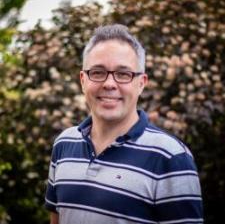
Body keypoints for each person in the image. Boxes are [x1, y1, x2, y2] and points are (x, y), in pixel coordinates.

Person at [45, 24, 203, 224]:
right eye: (98, 72)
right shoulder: (64, 144)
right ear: (83, 80)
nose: (109, 84)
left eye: (123, 74)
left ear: (141, 83)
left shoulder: (171, 157)